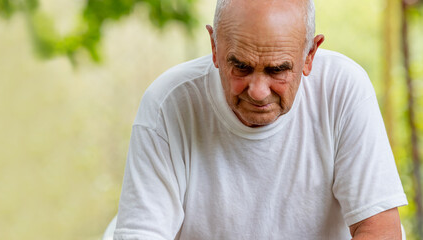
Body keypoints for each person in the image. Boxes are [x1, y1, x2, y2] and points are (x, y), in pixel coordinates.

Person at [113, 0, 408, 239]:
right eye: (240, 66)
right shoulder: (168, 103)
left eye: (277, 70)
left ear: (309, 56)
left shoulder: (344, 89)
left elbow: (379, 229)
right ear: (215, 48)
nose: (257, 91)